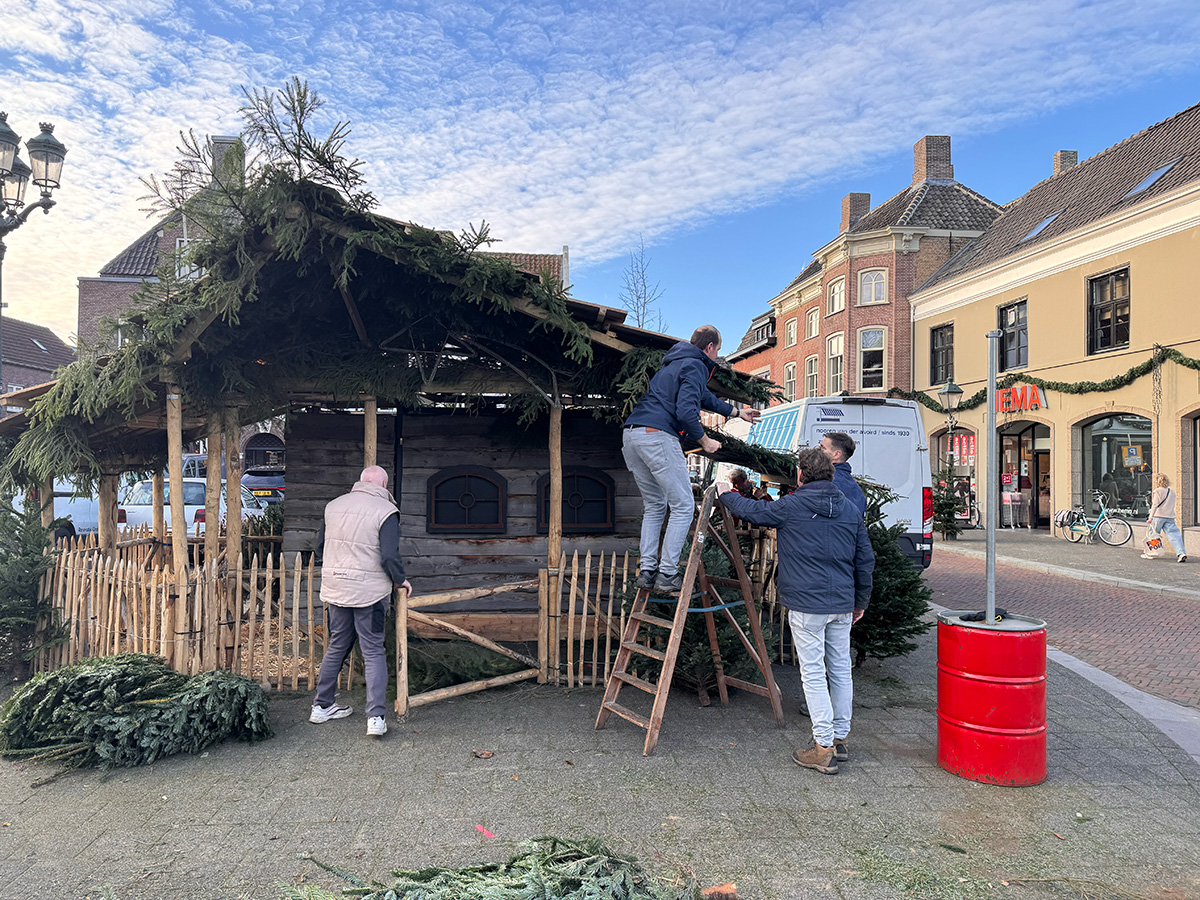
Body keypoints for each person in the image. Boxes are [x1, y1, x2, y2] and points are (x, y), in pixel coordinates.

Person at [716, 448, 874, 775]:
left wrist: (725, 493)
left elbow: (752, 510)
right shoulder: (849, 509)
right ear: (831, 474)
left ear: (801, 474)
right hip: (842, 602)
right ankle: (839, 739)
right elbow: (865, 560)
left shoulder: (792, 505)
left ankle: (823, 748)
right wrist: (861, 601)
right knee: (840, 668)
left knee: (814, 673)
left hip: (807, 604)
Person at [623, 325, 759, 593]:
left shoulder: (674, 365)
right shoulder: (696, 366)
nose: (717, 354)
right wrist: (705, 441)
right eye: (718, 349)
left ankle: (648, 571)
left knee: (655, 505)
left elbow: (703, 397)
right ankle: (667, 574)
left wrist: (735, 412)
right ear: (710, 347)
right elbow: (687, 411)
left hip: (632, 436)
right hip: (657, 436)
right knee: (684, 506)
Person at [310, 466, 412, 737]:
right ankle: (375, 718)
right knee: (373, 650)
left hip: (336, 588)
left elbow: (319, 547)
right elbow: (389, 556)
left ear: (361, 481)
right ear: (384, 485)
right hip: (368, 591)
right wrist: (401, 580)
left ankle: (321, 707)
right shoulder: (385, 511)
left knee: (337, 645)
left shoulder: (333, 506)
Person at [819, 432, 867, 519]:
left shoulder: (829, 483)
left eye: (822, 448)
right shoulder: (856, 489)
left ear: (836, 454)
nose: (817, 451)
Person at [1142, 473, 1187, 563]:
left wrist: (1150, 517)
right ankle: (1181, 553)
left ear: (1157, 481)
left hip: (1158, 516)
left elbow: (1154, 505)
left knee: (1153, 535)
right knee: (1174, 536)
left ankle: (1150, 553)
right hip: (1169, 517)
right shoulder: (1172, 492)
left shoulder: (1157, 491)